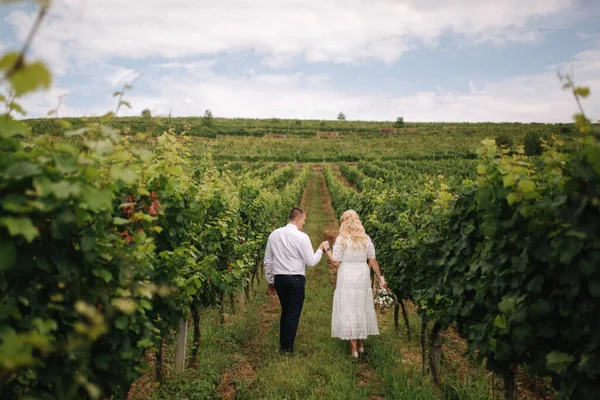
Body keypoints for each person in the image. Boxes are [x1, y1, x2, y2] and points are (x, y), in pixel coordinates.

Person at [264, 207, 329, 355]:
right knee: (293, 314)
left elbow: (267, 261)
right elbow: (311, 261)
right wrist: (320, 249)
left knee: (286, 311)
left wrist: (270, 281)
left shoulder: (274, 235)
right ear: (298, 219)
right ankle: (287, 350)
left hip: (279, 279)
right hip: (295, 279)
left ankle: (283, 344)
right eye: (304, 220)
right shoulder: (302, 237)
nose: (304, 224)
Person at [323, 210, 387, 358]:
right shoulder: (365, 239)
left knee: (349, 309)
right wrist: (381, 279)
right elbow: (372, 260)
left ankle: (354, 350)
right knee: (361, 307)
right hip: (362, 275)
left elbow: (335, 262)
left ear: (344, 223)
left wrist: (327, 250)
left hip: (346, 276)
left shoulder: (341, 239)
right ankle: (362, 346)